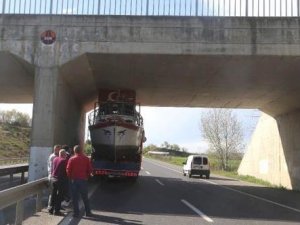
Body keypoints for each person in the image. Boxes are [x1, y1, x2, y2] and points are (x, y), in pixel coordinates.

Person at [66, 145, 93, 218]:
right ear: (81, 150)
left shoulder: (72, 159)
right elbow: (90, 169)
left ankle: (76, 213)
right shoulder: (86, 158)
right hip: (83, 180)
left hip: (74, 180)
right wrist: (87, 176)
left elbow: (68, 170)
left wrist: (70, 177)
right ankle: (88, 212)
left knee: (75, 198)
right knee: (85, 197)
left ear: (74, 151)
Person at [49, 149, 68, 216]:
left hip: (53, 179)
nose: (66, 155)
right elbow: (66, 171)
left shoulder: (55, 159)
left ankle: (51, 209)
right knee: (60, 196)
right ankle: (57, 211)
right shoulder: (64, 161)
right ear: (64, 154)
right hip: (60, 180)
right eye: (66, 154)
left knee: (53, 194)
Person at [47, 145, 61, 211]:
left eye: (59, 149)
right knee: (52, 193)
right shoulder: (53, 157)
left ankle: (55, 206)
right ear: (55, 149)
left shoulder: (58, 156)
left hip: (56, 176)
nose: (59, 151)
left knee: (56, 192)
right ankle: (49, 206)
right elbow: (51, 167)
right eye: (58, 149)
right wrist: (51, 175)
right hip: (52, 176)